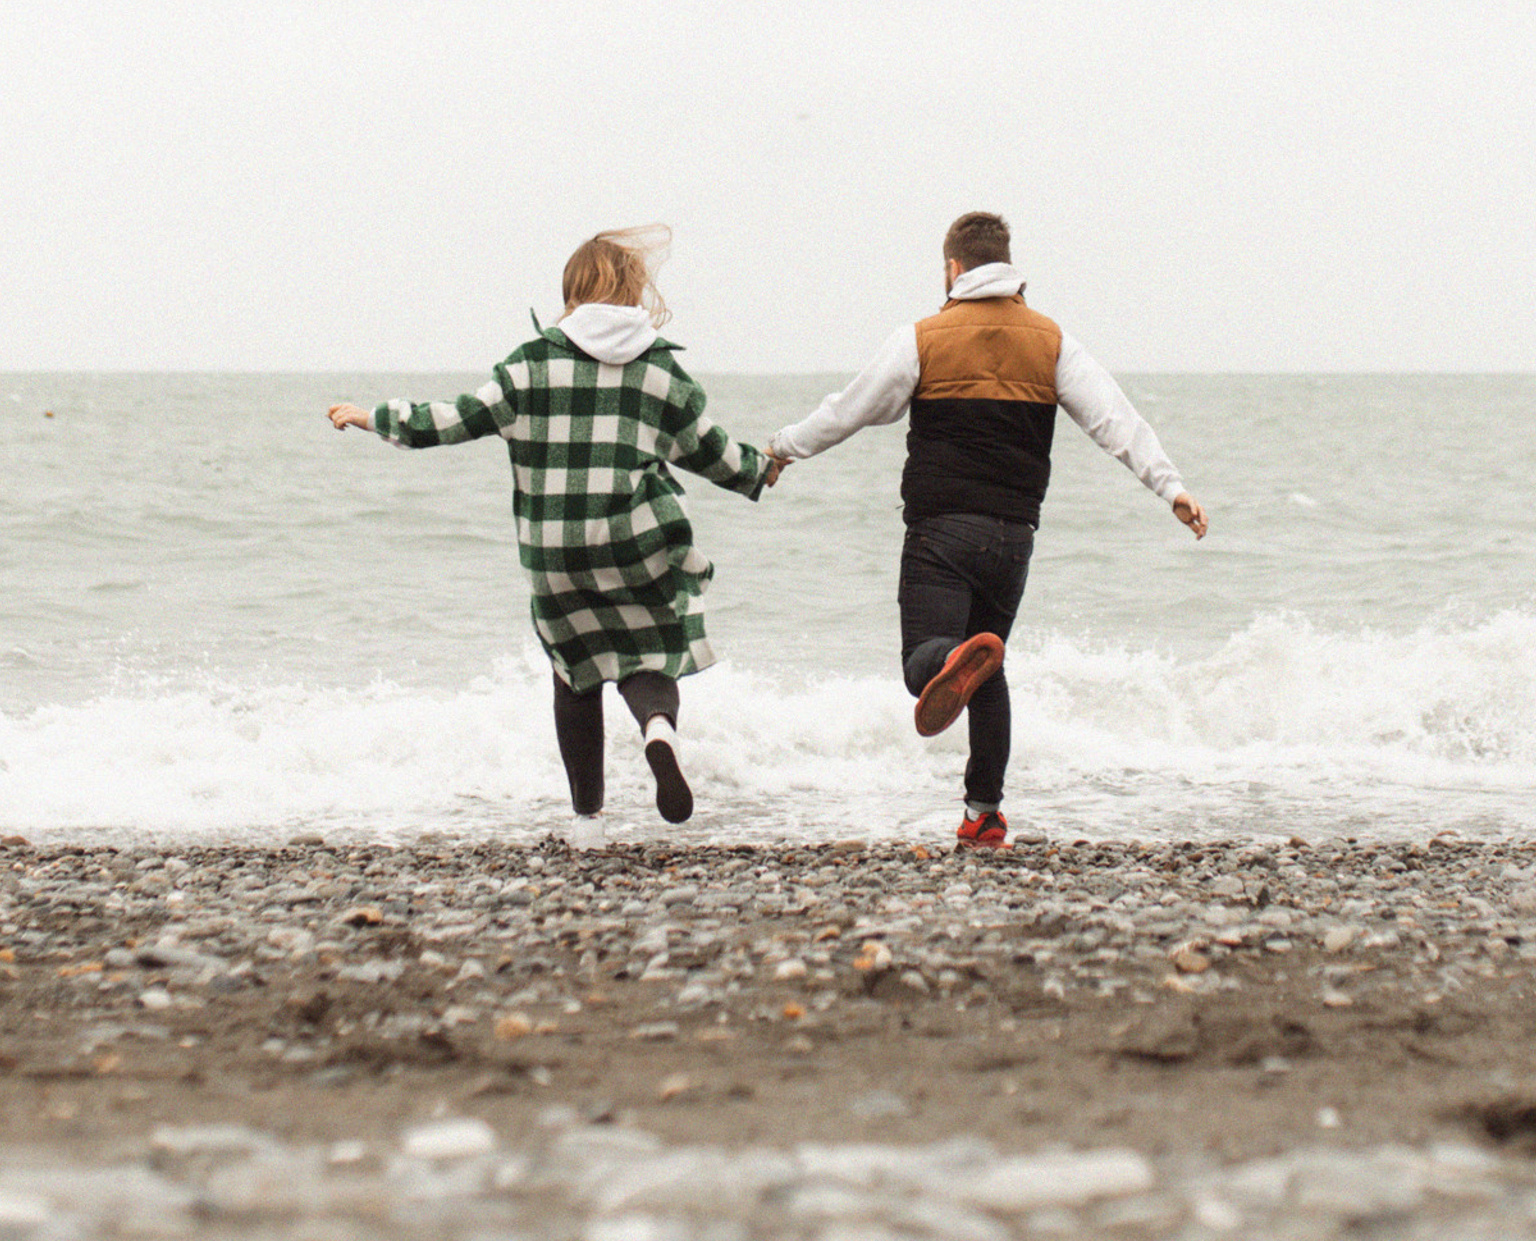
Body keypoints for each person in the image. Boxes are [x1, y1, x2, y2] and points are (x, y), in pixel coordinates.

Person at [765, 211, 1206, 849]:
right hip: (1014, 538)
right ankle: (984, 813)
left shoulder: (924, 337)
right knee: (987, 666)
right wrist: (1172, 488)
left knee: (930, 666)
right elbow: (1116, 419)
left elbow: (849, 410)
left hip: (941, 532)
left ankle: (951, 665)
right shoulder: (1052, 342)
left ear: (953, 268)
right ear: (1007, 265)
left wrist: (783, 448)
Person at [327, 226, 769, 844]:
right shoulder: (659, 372)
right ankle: (659, 731)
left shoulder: (530, 365)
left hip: (556, 554)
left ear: (572, 293)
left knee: (575, 671)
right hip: (637, 541)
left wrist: (375, 417)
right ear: (633, 292)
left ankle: (587, 816)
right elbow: (709, 451)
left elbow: (454, 420)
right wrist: (763, 466)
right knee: (650, 647)